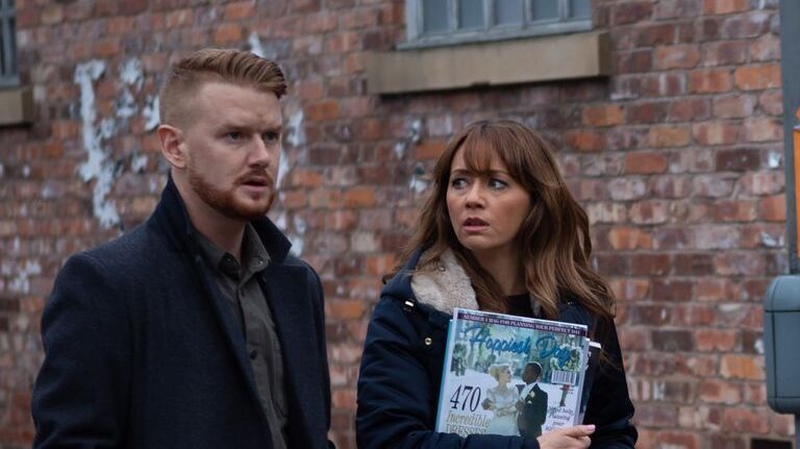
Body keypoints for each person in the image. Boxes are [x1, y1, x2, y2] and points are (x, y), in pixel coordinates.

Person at [31, 48, 335, 449]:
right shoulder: (106, 285)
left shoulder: (297, 284)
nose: (262, 156)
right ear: (174, 146)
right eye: (235, 136)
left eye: (271, 136)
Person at [356, 119, 637, 449]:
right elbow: (387, 440)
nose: (472, 198)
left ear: (536, 200)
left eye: (496, 183)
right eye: (459, 182)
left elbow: (612, 433)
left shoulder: (581, 308)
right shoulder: (411, 306)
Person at [483, 363, 520, 436]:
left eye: (511, 372)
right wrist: (509, 406)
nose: (511, 375)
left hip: (511, 428)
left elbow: (515, 407)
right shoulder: (491, 391)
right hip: (496, 427)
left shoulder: (514, 389)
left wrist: (496, 405)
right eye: (508, 372)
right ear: (501, 374)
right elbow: (497, 412)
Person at [518, 362, 548, 439]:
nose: (523, 373)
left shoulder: (541, 395)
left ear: (535, 375)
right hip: (514, 432)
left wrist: (523, 409)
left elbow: (541, 419)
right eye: (524, 371)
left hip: (530, 435)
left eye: (527, 372)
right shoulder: (517, 389)